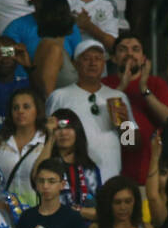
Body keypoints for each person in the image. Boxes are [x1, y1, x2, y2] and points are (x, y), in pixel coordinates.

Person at [45, 40, 134, 182]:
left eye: (98, 59)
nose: (93, 63)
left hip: (110, 177)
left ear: (104, 64)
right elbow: (47, 138)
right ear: (75, 64)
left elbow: (130, 145)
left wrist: (125, 125)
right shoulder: (59, 96)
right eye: (86, 59)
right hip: (71, 180)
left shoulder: (118, 97)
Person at [102, 35, 168, 184]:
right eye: (123, 50)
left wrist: (144, 89)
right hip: (111, 169)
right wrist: (121, 88)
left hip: (147, 170)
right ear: (114, 58)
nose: (129, 54)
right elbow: (106, 119)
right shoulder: (103, 85)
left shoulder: (156, 83)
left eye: (135, 50)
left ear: (143, 59)